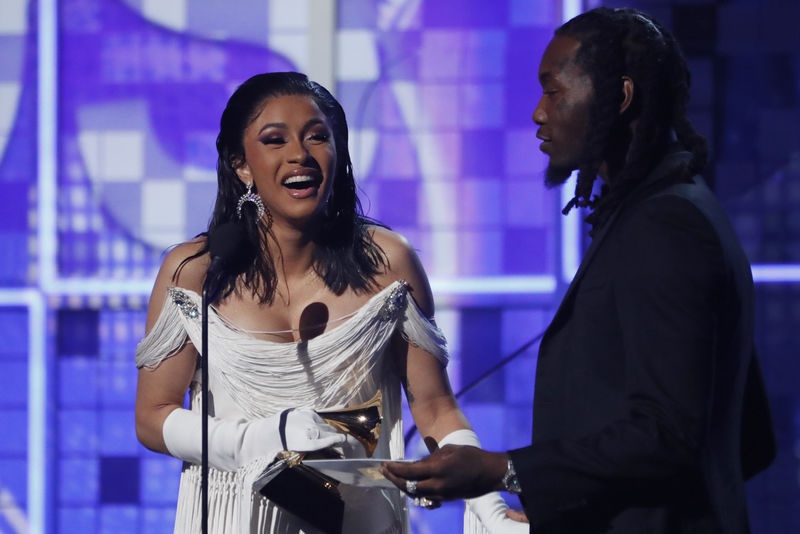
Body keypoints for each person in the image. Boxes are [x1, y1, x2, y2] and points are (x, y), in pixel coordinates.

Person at [382, 8, 775, 534]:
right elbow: (751, 441)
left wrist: (502, 469)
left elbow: (671, 434)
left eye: (554, 92)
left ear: (621, 96)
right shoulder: (665, 211)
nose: (538, 113)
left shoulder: (667, 225)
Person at [134, 72, 526, 534]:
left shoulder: (388, 263)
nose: (300, 155)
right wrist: (256, 439)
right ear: (242, 164)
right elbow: (152, 417)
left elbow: (436, 407)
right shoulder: (194, 272)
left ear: (338, 154)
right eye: (274, 140)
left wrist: (487, 506)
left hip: (357, 519)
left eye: (318, 137)